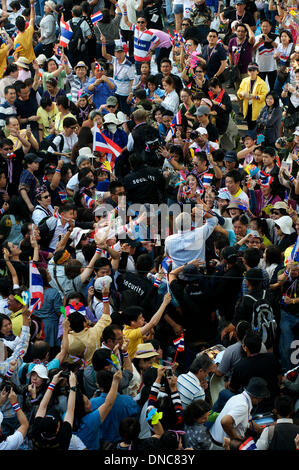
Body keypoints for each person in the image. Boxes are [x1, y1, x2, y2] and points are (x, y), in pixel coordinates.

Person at [209, 377, 269, 446]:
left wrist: (260, 430)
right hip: (221, 445)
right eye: (261, 398)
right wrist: (236, 439)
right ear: (256, 397)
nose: (261, 400)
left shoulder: (239, 397)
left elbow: (248, 420)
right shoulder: (243, 406)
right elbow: (225, 421)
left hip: (215, 438)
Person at [237, 62, 268, 130]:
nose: (252, 72)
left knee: (257, 127)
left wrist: (254, 97)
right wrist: (241, 94)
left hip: (258, 108)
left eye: (254, 70)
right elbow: (239, 91)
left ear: (257, 72)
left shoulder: (262, 83)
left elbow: (265, 96)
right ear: (248, 72)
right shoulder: (244, 81)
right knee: (249, 125)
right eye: (250, 70)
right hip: (247, 106)